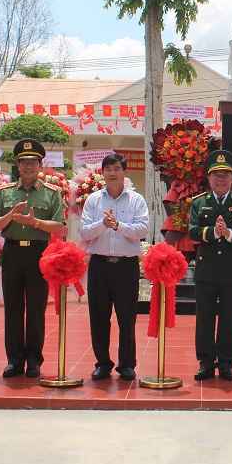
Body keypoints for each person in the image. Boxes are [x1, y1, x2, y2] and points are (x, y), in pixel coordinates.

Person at [0, 139, 66, 379]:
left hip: (38, 254)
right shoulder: (5, 193)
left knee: (35, 309)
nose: (28, 166)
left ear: (41, 165)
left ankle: (33, 359)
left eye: (33, 162)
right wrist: (11, 215)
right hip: (12, 253)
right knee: (12, 309)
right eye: (24, 162)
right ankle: (14, 360)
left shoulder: (51, 194)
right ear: (17, 165)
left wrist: (36, 223)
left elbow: (60, 228)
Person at [188, 150, 232, 381]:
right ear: (209, 178)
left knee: (229, 319)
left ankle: (226, 363)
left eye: (225, 175)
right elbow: (192, 231)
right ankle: (205, 362)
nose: (220, 179)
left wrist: (229, 233)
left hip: (231, 269)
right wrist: (211, 232)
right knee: (204, 318)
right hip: (206, 269)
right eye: (216, 175)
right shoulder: (200, 202)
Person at [79, 153, 149, 381]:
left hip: (126, 266)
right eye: (107, 169)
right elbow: (85, 232)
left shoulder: (136, 200)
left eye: (116, 168)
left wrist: (118, 225)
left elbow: (142, 230)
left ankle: (127, 364)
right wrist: (103, 223)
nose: (112, 173)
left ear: (124, 172)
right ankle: (102, 363)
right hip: (99, 266)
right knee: (98, 316)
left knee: (126, 317)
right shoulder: (93, 200)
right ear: (102, 172)